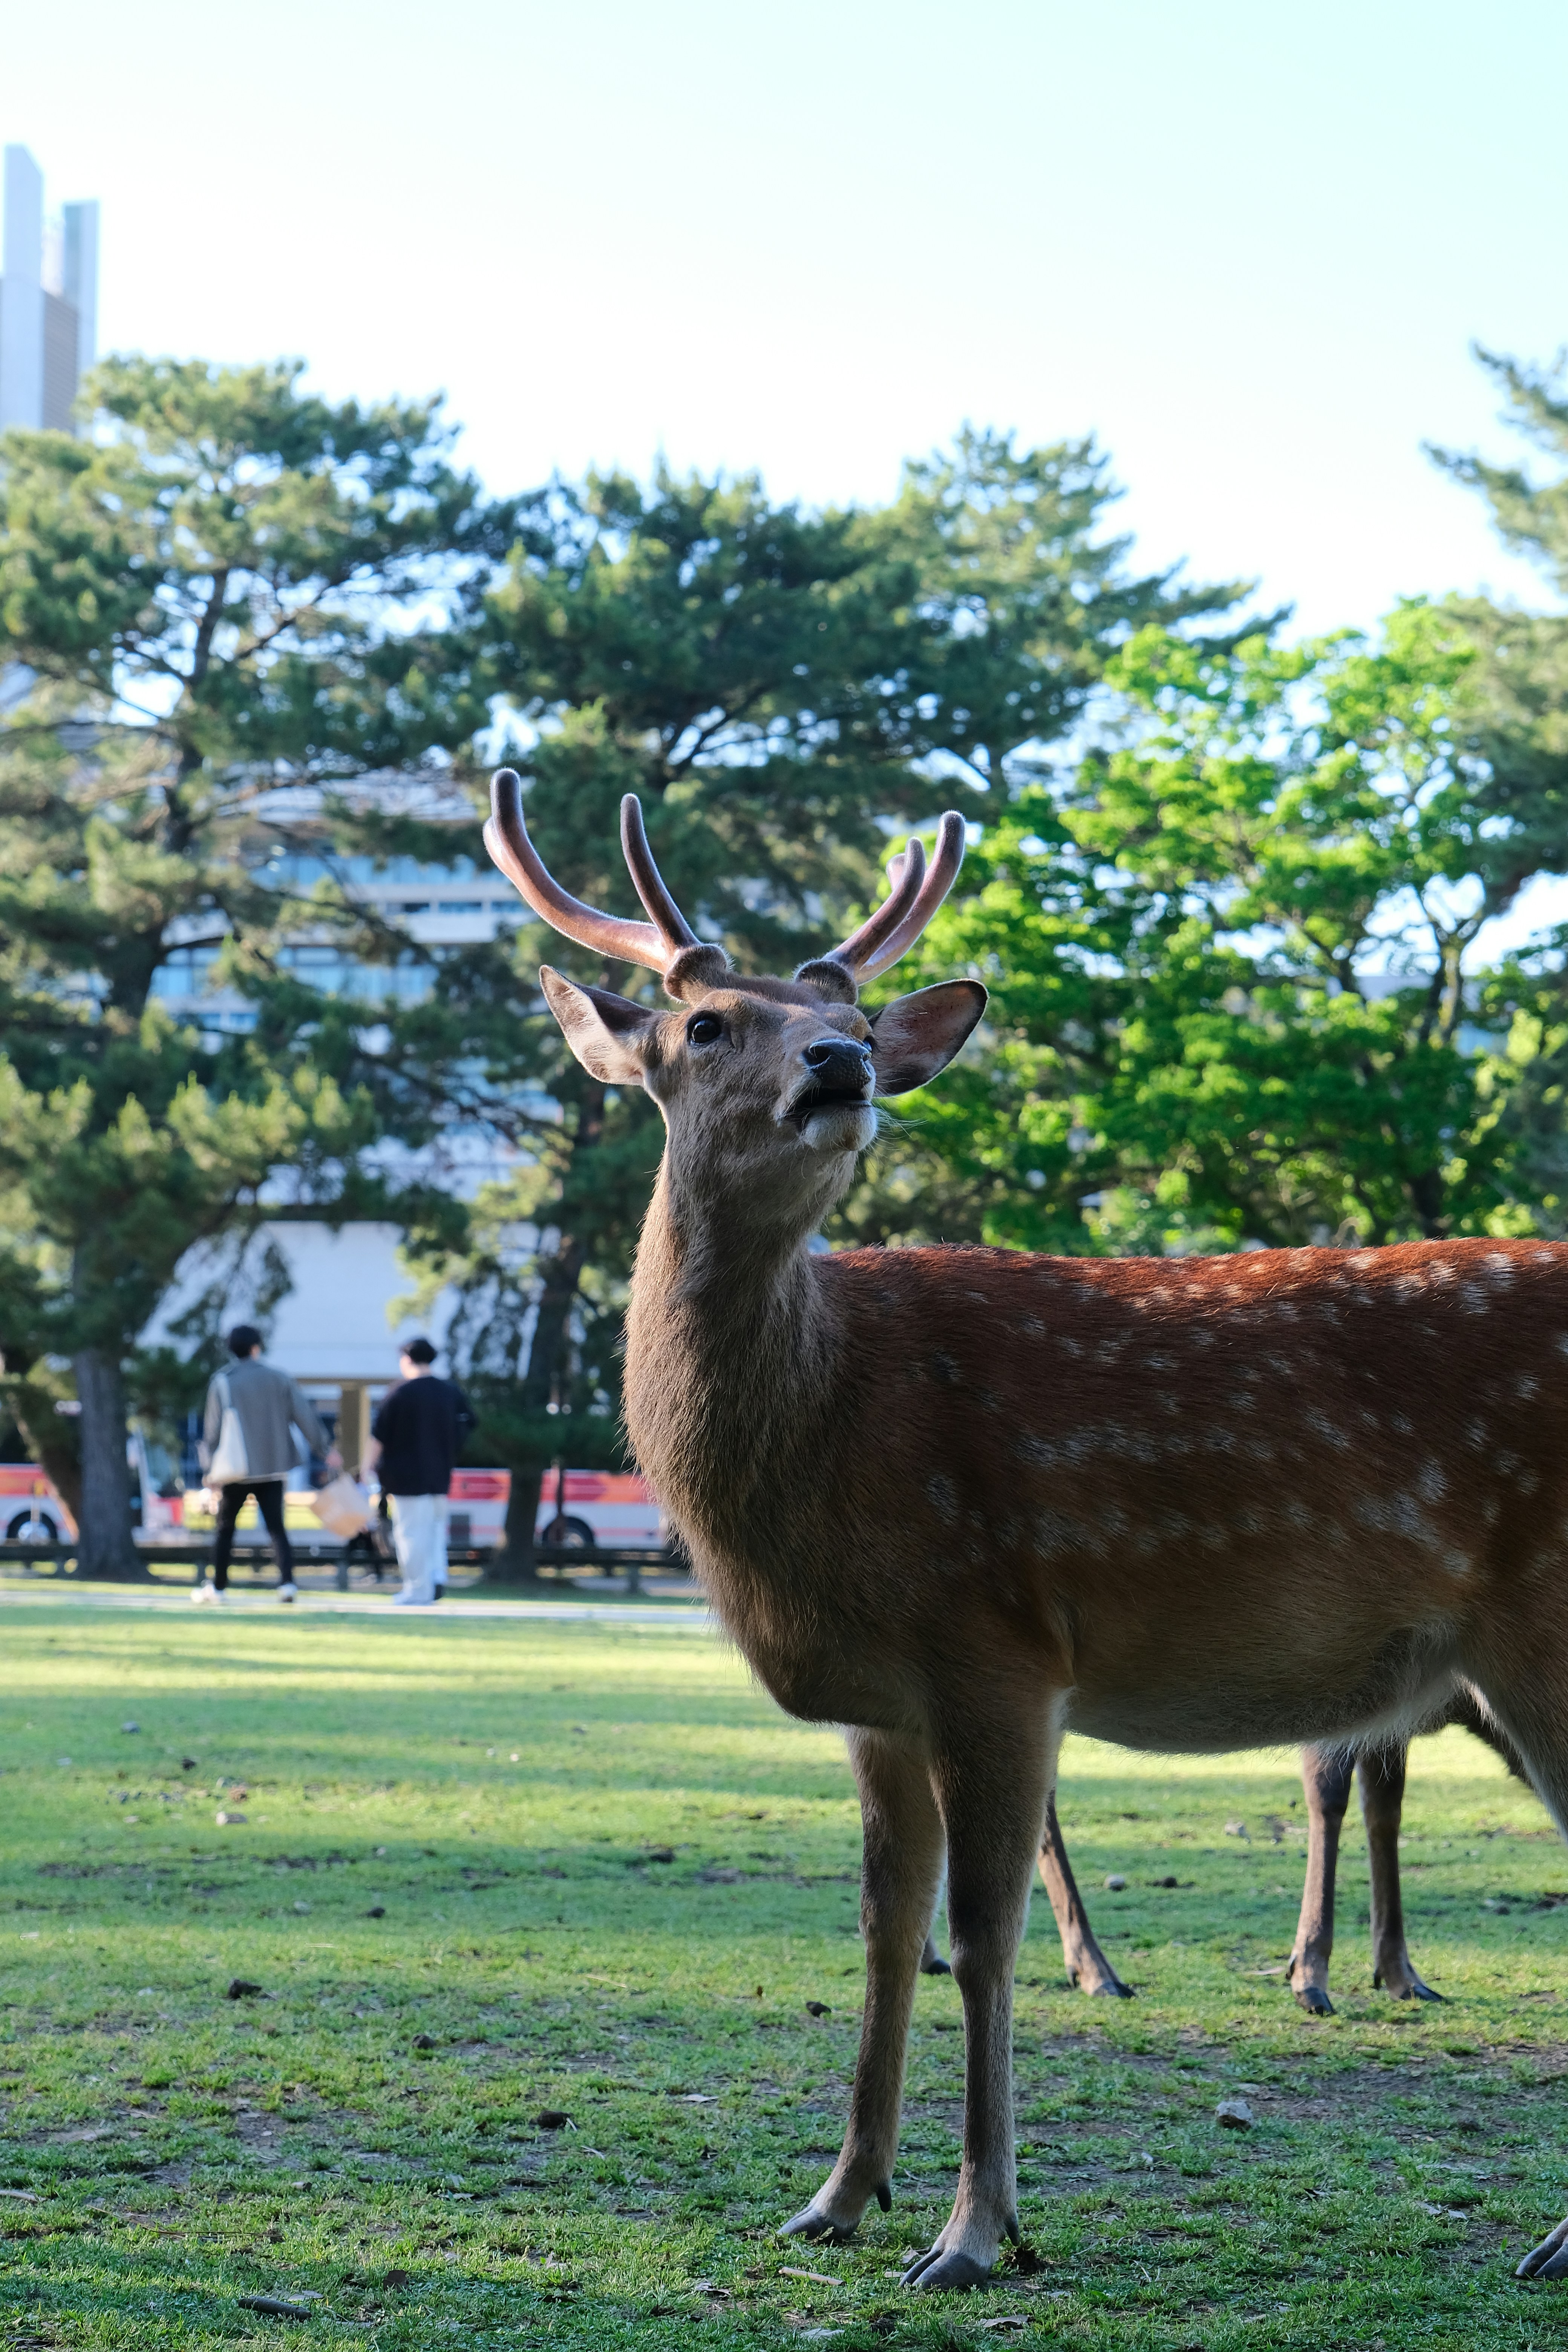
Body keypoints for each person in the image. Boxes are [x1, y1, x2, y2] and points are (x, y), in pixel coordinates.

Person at [193, 1326, 341, 1605]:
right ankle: (287, 1584)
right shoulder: (279, 1378)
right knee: (277, 1527)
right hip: (274, 1464)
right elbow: (304, 1416)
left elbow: (212, 1431)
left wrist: (208, 1468)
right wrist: (324, 1450)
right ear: (256, 1347)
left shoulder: (223, 1381)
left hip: (236, 1469)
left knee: (225, 1528)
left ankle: (219, 1587)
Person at [363, 1338, 474, 1606]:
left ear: (407, 1359)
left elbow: (379, 1436)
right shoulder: (450, 1393)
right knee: (435, 1531)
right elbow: (469, 1424)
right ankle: (437, 1576)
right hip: (439, 1474)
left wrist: (367, 1467)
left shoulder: (399, 1394)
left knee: (411, 1533)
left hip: (405, 1477)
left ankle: (417, 1589)